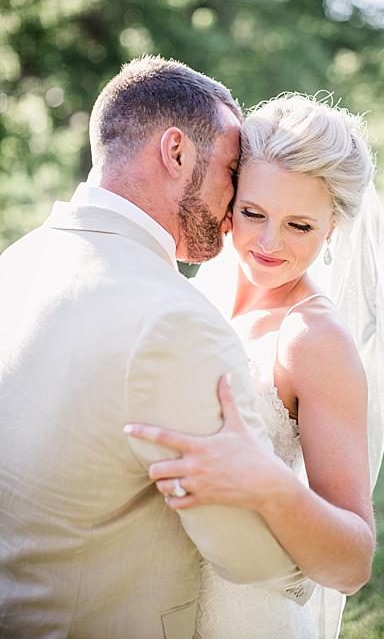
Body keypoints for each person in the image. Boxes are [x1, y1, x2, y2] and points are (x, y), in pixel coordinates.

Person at [0, 57, 311, 639]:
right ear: (176, 153)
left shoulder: (16, 262)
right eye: (230, 170)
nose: (232, 206)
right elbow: (253, 560)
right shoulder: (173, 320)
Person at [123, 93, 384, 639]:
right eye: (253, 214)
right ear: (229, 198)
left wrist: (267, 482)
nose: (268, 244)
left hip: (243, 616)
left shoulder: (314, 340)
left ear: (334, 226)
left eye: (300, 226)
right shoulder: (192, 297)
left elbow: (354, 562)